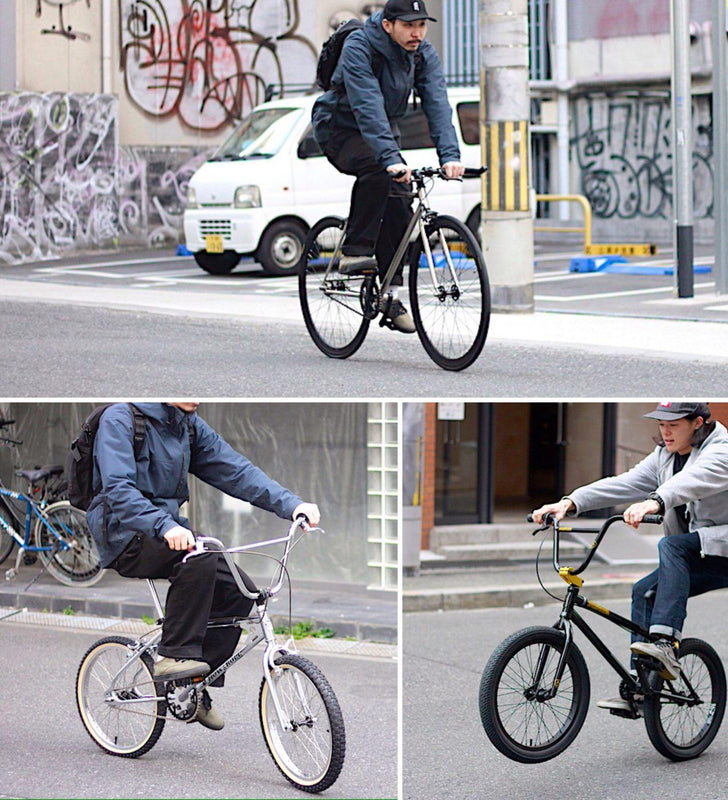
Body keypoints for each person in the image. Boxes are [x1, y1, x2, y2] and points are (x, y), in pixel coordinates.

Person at [85, 402, 319, 731]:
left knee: (242, 593)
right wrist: (164, 526)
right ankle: (172, 655)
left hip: (167, 529)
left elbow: (236, 471)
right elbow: (118, 489)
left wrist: (292, 504)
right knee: (201, 553)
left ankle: (191, 686)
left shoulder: (188, 425)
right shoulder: (122, 418)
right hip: (123, 532)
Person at [532, 401, 728, 711]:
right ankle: (641, 687)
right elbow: (625, 483)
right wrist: (569, 502)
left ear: (698, 423)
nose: (665, 430)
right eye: (661, 423)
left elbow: (689, 482)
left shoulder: (723, 454)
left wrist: (654, 502)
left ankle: (665, 645)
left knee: (671, 547)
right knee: (643, 592)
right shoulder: (665, 456)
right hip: (701, 550)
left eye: (673, 424)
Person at [311, 0, 465, 334]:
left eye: (422, 25)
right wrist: (390, 158)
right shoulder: (359, 46)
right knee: (378, 168)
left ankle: (389, 295)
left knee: (400, 198)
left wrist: (450, 156)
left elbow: (437, 103)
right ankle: (354, 250)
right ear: (387, 25)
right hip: (340, 128)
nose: (417, 33)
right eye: (409, 26)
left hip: (382, 131)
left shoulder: (423, 53)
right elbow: (366, 105)